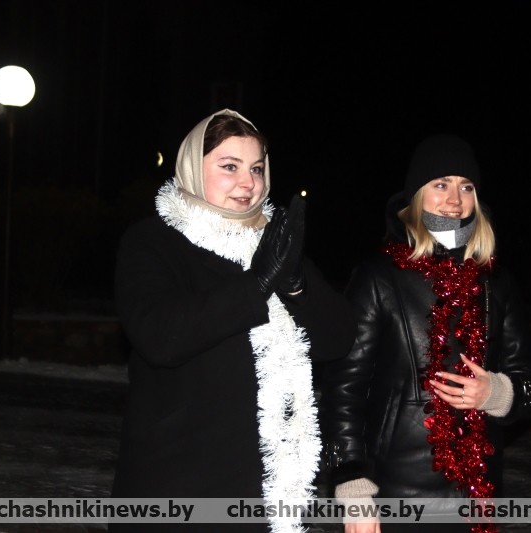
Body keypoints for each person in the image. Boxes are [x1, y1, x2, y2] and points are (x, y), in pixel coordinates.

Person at [110, 108, 356, 533]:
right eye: (230, 167)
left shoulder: (275, 244)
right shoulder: (154, 242)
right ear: (193, 167)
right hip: (176, 490)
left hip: (264, 493)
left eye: (256, 168)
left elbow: (337, 341)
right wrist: (256, 285)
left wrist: (296, 286)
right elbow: (159, 335)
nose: (248, 183)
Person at [320, 133, 531, 533]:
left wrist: (495, 392)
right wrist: (352, 486)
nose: (455, 199)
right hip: (394, 491)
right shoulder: (378, 277)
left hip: (476, 496)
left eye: (466, 187)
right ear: (417, 195)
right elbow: (344, 390)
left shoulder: (496, 281)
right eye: (441, 184)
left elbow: (528, 385)